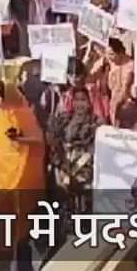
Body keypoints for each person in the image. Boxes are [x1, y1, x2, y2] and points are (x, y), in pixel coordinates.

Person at [0, 82, 45, 271]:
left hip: (23, 173)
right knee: (0, 210)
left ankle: (22, 262)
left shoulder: (24, 113)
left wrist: (21, 139)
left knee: (21, 220)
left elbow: (38, 139)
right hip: (2, 171)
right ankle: (1, 250)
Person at [47, 84, 98, 213]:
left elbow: (96, 147)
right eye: (76, 100)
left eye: (83, 100)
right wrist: (62, 166)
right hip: (64, 168)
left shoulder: (95, 122)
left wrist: (78, 166)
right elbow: (54, 143)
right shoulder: (63, 119)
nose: (79, 104)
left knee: (83, 207)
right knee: (62, 205)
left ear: (89, 102)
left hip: (85, 169)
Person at [90, 38, 137, 128]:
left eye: (112, 54)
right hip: (112, 103)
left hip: (127, 105)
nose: (109, 57)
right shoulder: (106, 62)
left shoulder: (132, 65)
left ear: (120, 53)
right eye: (107, 53)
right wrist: (100, 63)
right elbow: (90, 77)